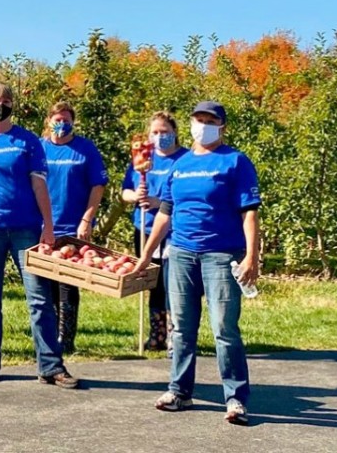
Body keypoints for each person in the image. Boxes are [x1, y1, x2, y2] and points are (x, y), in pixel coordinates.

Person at [131, 101, 260, 425]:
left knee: (223, 328)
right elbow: (165, 213)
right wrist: (147, 254)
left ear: (222, 126)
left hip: (221, 255)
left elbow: (250, 212)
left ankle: (235, 398)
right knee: (182, 329)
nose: (203, 125)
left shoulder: (235, 162)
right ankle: (179, 391)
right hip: (181, 254)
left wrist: (251, 256)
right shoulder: (181, 164)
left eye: (210, 120)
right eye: (198, 119)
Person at [0, 82, 78, 388]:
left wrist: (48, 226)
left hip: (26, 228)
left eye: (6, 101)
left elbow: (39, 185)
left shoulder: (28, 142)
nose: (1, 105)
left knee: (38, 298)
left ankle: (51, 365)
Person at [41, 101, 108, 353]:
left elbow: (98, 185)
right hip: (43, 226)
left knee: (68, 284)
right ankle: (48, 337)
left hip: (72, 226)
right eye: (57, 119)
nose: (61, 123)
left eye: (66, 119)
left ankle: (66, 339)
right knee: (45, 286)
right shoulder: (40, 148)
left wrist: (87, 219)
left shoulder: (84, 149)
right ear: (49, 121)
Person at [122, 111, 188, 354]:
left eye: (165, 132)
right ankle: (156, 335)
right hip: (145, 228)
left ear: (174, 133)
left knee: (174, 283)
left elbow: (184, 197)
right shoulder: (143, 158)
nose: (160, 137)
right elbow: (125, 192)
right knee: (153, 283)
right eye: (155, 132)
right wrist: (136, 197)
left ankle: (175, 336)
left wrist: (158, 201)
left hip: (174, 231)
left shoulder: (185, 159)